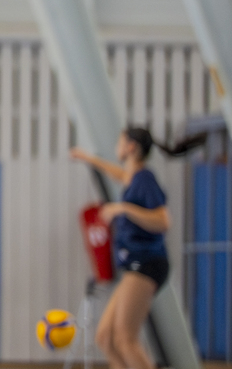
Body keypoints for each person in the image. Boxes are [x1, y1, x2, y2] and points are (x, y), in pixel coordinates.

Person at [71, 128, 203, 369]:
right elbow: (119, 174)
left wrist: (122, 208)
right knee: (105, 338)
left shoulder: (144, 179)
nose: (116, 146)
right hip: (134, 264)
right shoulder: (134, 178)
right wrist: (89, 158)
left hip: (146, 263)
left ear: (131, 147)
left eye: (120, 141)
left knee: (125, 339)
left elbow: (163, 221)